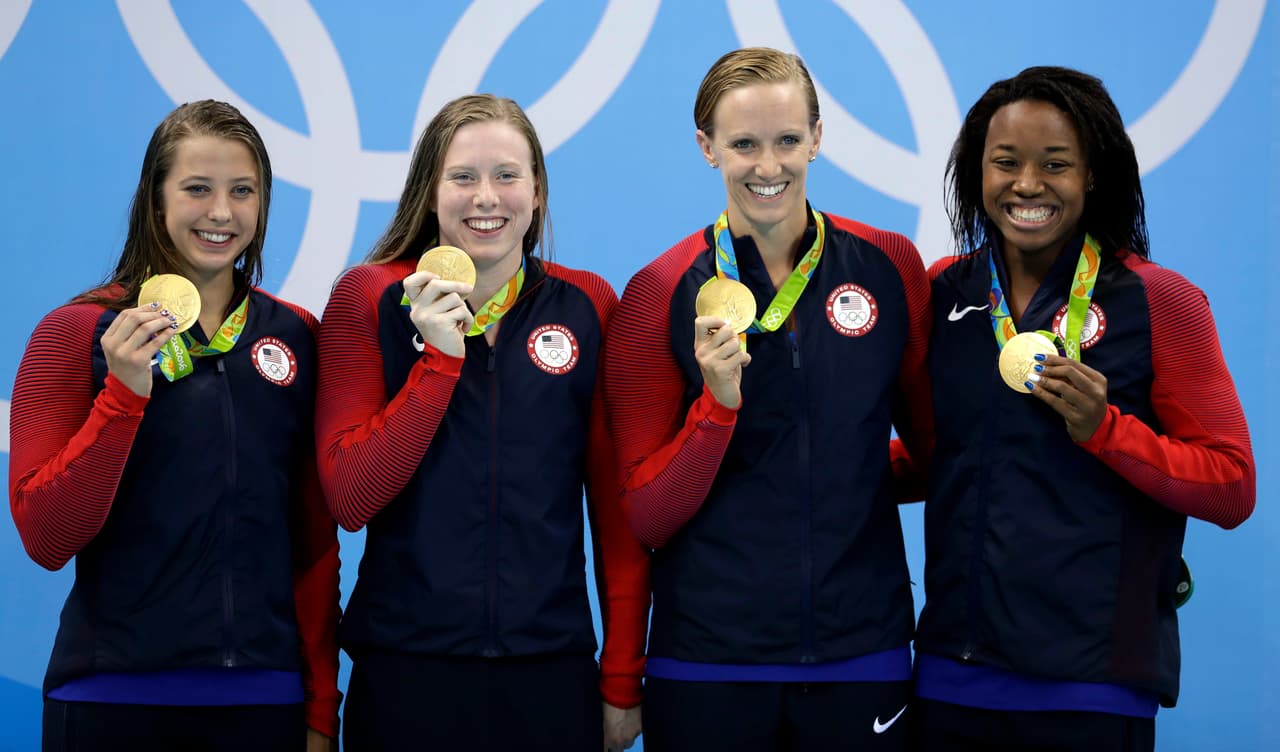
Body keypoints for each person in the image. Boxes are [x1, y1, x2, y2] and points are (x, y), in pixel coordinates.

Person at [909, 66, 1256, 751]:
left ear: (1092, 174)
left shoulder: (1160, 301)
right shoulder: (943, 291)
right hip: (950, 676)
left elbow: (1231, 485)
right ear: (977, 172)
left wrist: (1106, 430)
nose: (1027, 184)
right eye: (1005, 162)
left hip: (1093, 685)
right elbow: (940, 455)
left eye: (1055, 164)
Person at [601, 47, 933, 751]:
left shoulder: (890, 266)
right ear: (707, 148)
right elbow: (646, 513)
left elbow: (939, 452)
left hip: (862, 652)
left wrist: (848, 472)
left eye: (786, 139)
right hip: (707, 661)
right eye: (744, 144)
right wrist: (717, 409)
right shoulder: (659, 291)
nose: (768, 165)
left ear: (817, 137)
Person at [314, 93, 648, 752]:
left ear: (537, 191)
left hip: (549, 671)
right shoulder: (370, 297)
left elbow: (616, 511)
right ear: (430, 193)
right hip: (407, 669)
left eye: (507, 175)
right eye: (463, 177)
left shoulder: (587, 305)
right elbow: (349, 498)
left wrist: (621, 675)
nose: (486, 197)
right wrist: (438, 363)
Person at [8, 100, 341, 751]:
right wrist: (122, 397)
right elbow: (46, 538)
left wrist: (321, 707)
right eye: (197, 189)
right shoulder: (76, 332)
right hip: (111, 698)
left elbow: (313, 542)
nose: (221, 212)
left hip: (264, 701)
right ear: (155, 199)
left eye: (242, 191)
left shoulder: (295, 336)